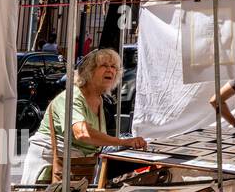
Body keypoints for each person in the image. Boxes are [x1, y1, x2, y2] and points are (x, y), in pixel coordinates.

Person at [20, 48, 147, 183]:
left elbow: (96, 143)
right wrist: (122, 142)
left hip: (76, 169)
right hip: (50, 168)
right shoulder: (72, 96)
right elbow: (82, 133)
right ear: (89, 71)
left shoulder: (99, 99)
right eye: (104, 65)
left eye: (114, 67)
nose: (110, 70)